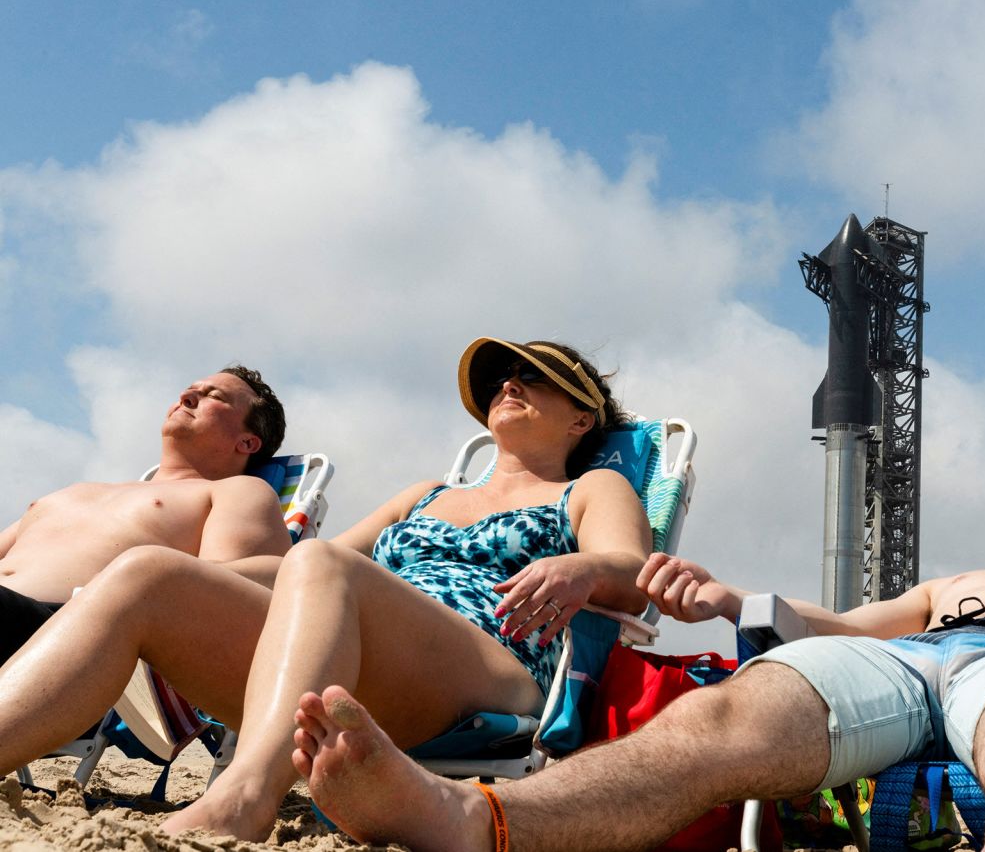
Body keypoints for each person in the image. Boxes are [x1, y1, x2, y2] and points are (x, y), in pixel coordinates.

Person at [290, 457, 985, 852]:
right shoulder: (954, 578)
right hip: (917, 649)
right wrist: (731, 601)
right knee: (720, 718)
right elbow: (844, 626)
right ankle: (471, 816)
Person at [0, 337, 651, 844]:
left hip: (491, 666)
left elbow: (633, 572)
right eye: (503, 377)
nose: (510, 383)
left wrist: (587, 568)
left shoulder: (591, 489)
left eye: (535, 377)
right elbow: (296, 569)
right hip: (371, 658)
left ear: (581, 418)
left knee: (319, 563)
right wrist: (186, 587)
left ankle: (244, 798)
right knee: (148, 572)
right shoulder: (425, 495)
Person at [0, 365, 291, 665]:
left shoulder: (236, 491)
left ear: (247, 442)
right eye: (190, 389)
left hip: (61, 633)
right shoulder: (80, 489)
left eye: (212, 395)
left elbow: (227, 594)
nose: (187, 396)